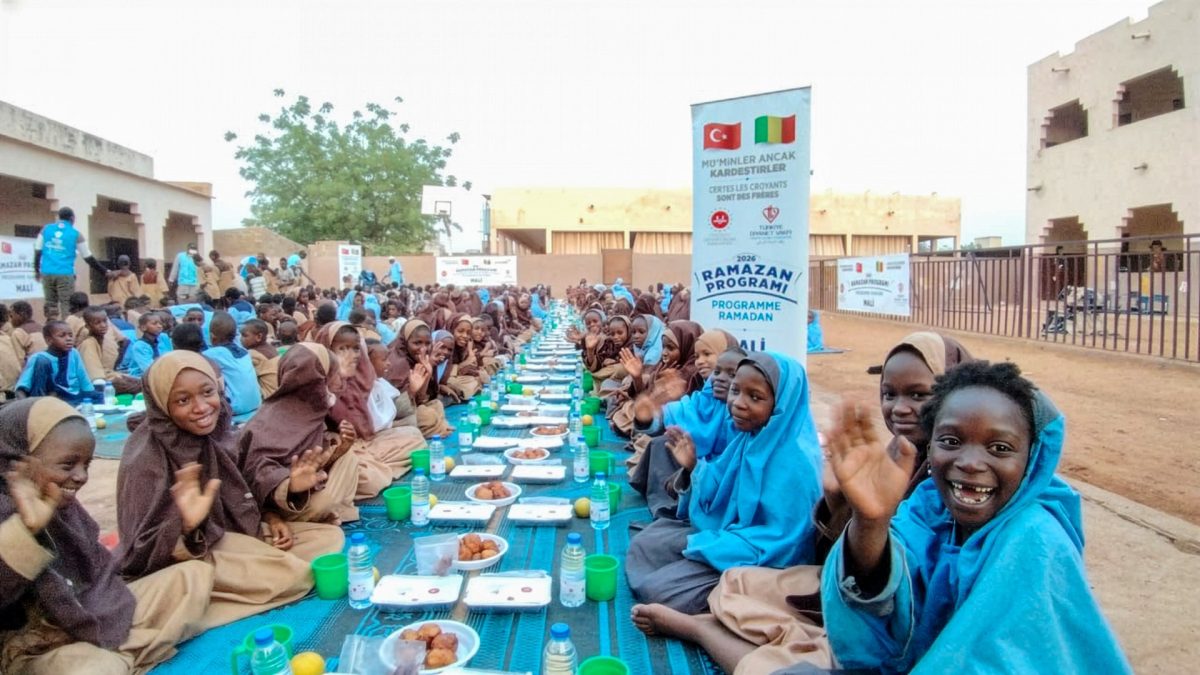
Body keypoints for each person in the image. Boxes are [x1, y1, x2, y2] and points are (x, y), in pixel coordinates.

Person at [654, 332, 974, 675]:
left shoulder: (958, 481)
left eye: (918, 395)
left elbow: (791, 542)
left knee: (690, 588)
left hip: (882, 617)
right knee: (729, 583)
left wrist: (716, 539)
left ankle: (707, 631)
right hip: (849, 588)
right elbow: (848, 549)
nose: (899, 408)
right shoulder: (901, 460)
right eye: (889, 394)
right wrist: (838, 500)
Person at [820, 361, 1131, 672]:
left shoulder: (1036, 540)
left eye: (999, 447)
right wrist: (871, 522)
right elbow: (879, 595)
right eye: (950, 442)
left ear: (1032, 458)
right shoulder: (929, 506)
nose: (969, 462)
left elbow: (995, 660)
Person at [115, 352, 332, 631]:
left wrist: (273, 514)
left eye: (207, 392)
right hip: (192, 554)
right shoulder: (145, 460)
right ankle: (198, 600)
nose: (201, 407)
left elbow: (245, 489)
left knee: (327, 538)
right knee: (294, 576)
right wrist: (186, 526)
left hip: (236, 533)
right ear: (161, 404)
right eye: (183, 400)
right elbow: (139, 551)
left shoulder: (219, 433)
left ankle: (241, 578)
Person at [0, 398, 215, 675]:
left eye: (86, 465)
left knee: (194, 575)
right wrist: (23, 533)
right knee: (93, 670)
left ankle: (128, 649)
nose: (81, 476)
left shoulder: (65, 508)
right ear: (18, 461)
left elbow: (104, 573)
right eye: (67, 465)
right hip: (41, 644)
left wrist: (186, 528)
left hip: (98, 611)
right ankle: (135, 648)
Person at [627, 352, 823, 615]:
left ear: (781, 404)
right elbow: (719, 488)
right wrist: (693, 466)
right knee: (648, 544)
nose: (738, 404)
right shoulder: (750, 438)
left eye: (755, 397)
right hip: (728, 536)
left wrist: (713, 545)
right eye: (735, 391)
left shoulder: (796, 463)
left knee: (660, 590)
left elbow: (784, 545)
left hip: (762, 562)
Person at [239, 343, 361, 525]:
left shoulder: (310, 410)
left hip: (308, 487)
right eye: (333, 374)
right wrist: (289, 485)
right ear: (317, 381)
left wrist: (340, 450)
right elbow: (256, 474)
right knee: (324, 503)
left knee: (348, 457)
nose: (340, 378)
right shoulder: (265, 423)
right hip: (282, 504)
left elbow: (313, 461)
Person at [317, 322, 426, 498]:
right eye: (342, 349)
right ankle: (368, 470)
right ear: (327, 351)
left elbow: (370, 426)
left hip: (364, 444)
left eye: (355, 349)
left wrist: (415, 389)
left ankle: (373, 467)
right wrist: (341, 445)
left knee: (414, 436)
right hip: (338, 452)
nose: (352, 355)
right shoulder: (318, 384)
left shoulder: (359, 379)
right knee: (368, 479)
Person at [33, 207, 113, 320]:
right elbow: (88, 257)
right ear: (72, 218)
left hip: (47, 272)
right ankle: (67, 327)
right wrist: (104, 271)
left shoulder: (46, 229)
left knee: (50, 304)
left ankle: (51, 327)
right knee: (67, 305)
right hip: (65, 274)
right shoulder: (76, 234)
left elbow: (37, 251)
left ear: (59, 217)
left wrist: (37, 270)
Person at [385, 319, 449, 438]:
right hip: (397, 416)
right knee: (427, 416)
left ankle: (436, 428)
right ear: (405, 342)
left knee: (437, 404)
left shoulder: (419, 360)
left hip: (413, 407)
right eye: (417, 343)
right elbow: (397, 410)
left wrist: (428, 373)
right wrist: (411, 391)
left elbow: (421, 400)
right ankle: (436, 428)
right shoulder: (397, 363)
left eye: (427, 343)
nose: (423, 349)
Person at [14, 322, 95, 404]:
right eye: (62, 336)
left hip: (71, 395)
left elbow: (83, 377)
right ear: (49, 340)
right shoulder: (38, 358)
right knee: (43, 362)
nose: (68, 339)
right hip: (47, 396)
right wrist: (24, 405)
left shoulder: (74, 353)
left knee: (98, 396)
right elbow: (21, 388)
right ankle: (41, 404)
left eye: (70, 335)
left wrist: (90, 395)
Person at [203, 312, 261, 420]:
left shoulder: (213, 354)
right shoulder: (245, 352)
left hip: (236, 410)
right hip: (256, 405)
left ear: (212, 336)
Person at [77, 307, 141, 395]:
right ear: (88, 326)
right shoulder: (88, 344)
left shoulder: (100, 339)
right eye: (97, 323)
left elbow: (124, 341)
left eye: (105, 321)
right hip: (99, 384)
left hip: (110, 375)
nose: (103, 325)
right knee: (140, 387)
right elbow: (97, 380)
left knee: (142, 382)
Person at [239, 319, 279, 399]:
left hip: (267, 396)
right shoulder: (272, 349)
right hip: (277, 393)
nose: (240, 339)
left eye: (245, 336)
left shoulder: (253, 354)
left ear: (258, 337)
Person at [124, 313, 168, 378]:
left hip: (164, 372)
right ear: (143, 328)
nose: (159, 326)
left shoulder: (164, 337)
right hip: (142, 376)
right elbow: (148, 368)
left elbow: (170, 355)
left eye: (160, 323)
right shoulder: (139, 346)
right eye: (154, 324)